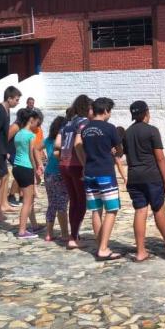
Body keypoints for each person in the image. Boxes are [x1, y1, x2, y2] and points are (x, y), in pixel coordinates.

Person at [123, 100, 165, 262]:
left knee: (140, 211)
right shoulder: (152, 131)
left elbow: (127, 155)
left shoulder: (127, 133)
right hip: (152, 177)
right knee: (158, 211)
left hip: (134, 176)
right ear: (146, 112)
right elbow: (160, 158)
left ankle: (140, 251)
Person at [76, 97, 124, 261]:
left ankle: (100, 245)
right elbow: (119, 149)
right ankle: (103, 248)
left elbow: (79, 147)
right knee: (111, 209)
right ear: (105, 111)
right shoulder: (110, 128)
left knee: (96, 210)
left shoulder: (85, 129)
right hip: (105, 172)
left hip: (89, 172)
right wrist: (116, 152)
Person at [57, 95, 92, 250]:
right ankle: (73, 237)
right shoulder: (84, 122)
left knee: (74, 201)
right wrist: (85, 164)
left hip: (63, 164)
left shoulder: (67, 123)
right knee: (81, 202)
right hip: (76, 165)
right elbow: (79, 145)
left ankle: (74, 234)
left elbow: (58, 144)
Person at [0, 86, 21, 223]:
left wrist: (5, 151)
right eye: (16, 100)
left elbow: (2, 134)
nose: (17, 102)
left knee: (2, 177)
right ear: (9, 98)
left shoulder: (6, 111)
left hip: (1, 151)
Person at [11, 108, 42, 239]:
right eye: (37, 122)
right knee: (27, 201)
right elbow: (31, 154)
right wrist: (36, 171)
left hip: (16, 167)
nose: (38, 125)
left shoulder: (18, 134)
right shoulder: (31, 135)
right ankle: (22, 230)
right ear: (31, 120)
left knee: (28, 200)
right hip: (26, 167)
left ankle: (33, 225)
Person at [43, 116, 69, 243]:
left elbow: (36, 148)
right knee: (62, 204)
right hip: (59, 174)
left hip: (48, 173)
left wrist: (38, 163)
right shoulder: (62, 141)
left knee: (52, 203)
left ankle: (49, 234)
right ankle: (64, 234)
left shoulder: (48, 140)